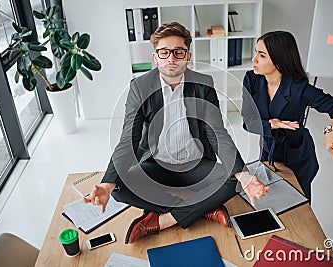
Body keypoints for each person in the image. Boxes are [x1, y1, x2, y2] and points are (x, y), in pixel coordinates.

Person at [84, 22, 270, 244]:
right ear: (156, 57)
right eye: (164, 52)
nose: (171, 58)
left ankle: (162, 220)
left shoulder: (203, 83)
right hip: (157, 163)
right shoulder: (140, 87)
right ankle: (203, 210)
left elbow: (217, 133)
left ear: (187, 56)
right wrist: (106, 184)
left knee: (236, 180)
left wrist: (244, 175)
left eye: (178, 52)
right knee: (118, 189)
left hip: (196, 163)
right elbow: (129, 140)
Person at [241, 31, 333, 202]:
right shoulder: (252, 80)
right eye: (256, 52)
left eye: (261, 55)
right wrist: (272, 125)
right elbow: (248, 123)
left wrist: (331, 129)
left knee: (299, 204)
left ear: (278, 61)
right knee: (267, 199)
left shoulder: (299, 89)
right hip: (267, 151)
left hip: (296, 155)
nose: (254, 59)